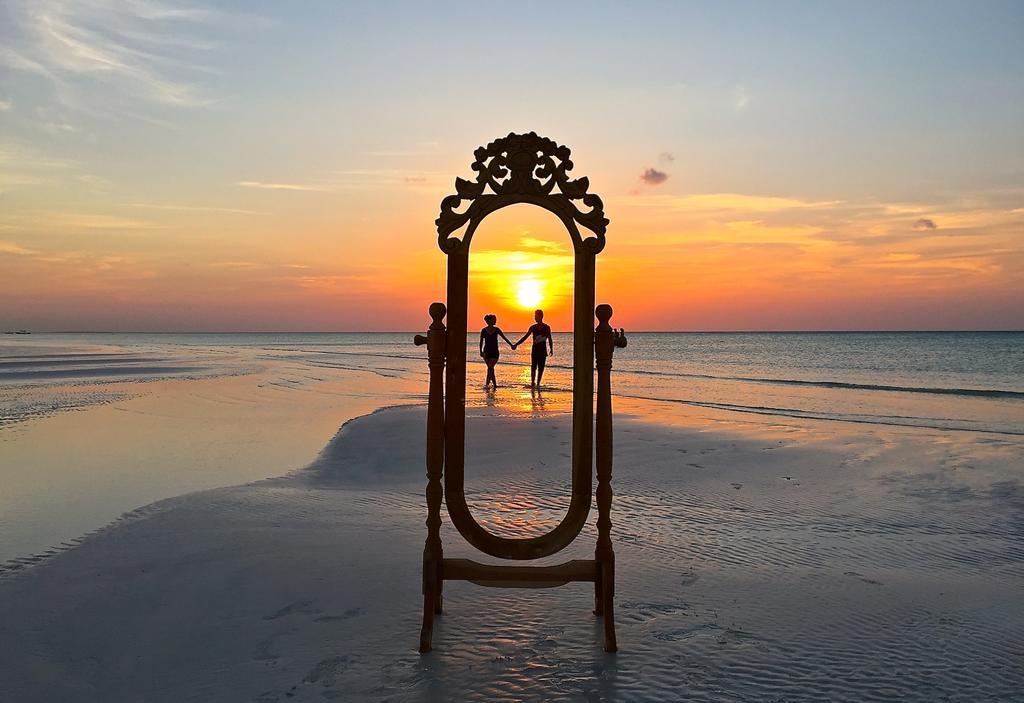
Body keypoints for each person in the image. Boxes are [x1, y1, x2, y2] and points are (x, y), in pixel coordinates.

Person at [513, 309, 554, 388]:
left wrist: (551, 348)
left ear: (541, 316)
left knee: (541, 367)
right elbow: (525, 337)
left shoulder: (547, 327)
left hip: (542, 350)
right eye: (534, 316)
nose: (535, 318)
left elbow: (550, 338)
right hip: (535, 349)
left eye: (536, 316)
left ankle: (538, 383)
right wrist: (516, 344)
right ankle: (532, 382)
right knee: (533, 366)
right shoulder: (533, 327)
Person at [479, 314, 514, 389]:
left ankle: (487, 385)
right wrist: (481, 351)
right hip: (486, 352)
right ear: (489, 320)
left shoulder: (497, 329)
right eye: (494, 319)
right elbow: (481, 341)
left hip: (495, 352)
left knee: (490, 367)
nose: (495, 321)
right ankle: (494, 385)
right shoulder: (484, 330)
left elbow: (504, 338)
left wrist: (511, 345)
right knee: (491, 368)